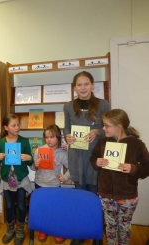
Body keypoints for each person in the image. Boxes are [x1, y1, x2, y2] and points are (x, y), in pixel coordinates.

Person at [90, 109, 149, 245]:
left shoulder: (136, 145)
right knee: (110, 227)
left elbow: (147, 167)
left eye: (106, 125)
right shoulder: (103, 142)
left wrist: (134, 168)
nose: (103, 128)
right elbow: (93, 157)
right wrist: (96, 162)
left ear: (119, 127)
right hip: (105, 194)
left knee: (124, 228)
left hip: (127, 196)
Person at [64, 71, 109, 245]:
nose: (83, 88)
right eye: (79, 85)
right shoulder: (68, 106)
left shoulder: (103, 105)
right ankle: (81, 231)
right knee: (80, 196)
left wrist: (97, 131)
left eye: (86, 84)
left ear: (92, 85)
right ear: (75, 87)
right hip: (76, 155)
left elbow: (108, 128)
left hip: (95, 155)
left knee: (95, 196)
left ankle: (96, 233)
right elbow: (66, 128)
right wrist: (67, 136)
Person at [0, 114, 33, 245]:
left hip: (21, 178)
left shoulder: (24, 141)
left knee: (21, 205)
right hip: (6, 178)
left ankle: (20, 230)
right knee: (9, 205)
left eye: (18, 124)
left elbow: (30, 160)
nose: (17, 127)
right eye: (13, 125)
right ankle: (10, 229)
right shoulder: (0, 142)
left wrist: (28, 158)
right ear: (6, 127)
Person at [30, 124, 69, 244]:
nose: (49, 140)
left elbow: (72, 168)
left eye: (52, 137)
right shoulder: (39, 150)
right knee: (42, 209)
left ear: (58, 137)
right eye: (46, 137)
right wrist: (35, 164)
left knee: (55, 209)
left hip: (54, 185)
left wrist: (65, 177)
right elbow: (32, 167)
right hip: (40, 184)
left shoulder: (62, 153)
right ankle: (43, 229)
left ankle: (57, 230)